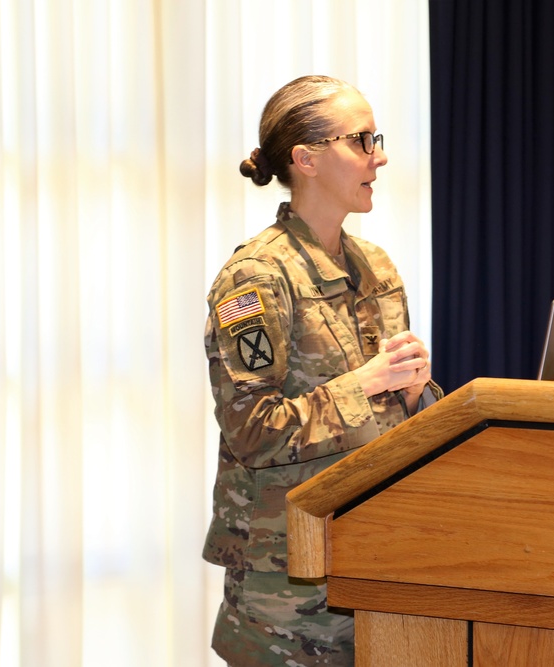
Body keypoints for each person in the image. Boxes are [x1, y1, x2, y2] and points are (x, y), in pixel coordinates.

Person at [202, 74, 442, 666]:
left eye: (376, 139)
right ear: (306, 159)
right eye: (361, 141)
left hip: (375, 561)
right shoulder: (255, 279)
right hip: (288, 587)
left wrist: (418, 395)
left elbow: (397, 419)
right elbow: (251, 432)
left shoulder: (376, 266)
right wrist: (363, 385)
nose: (379, 156)